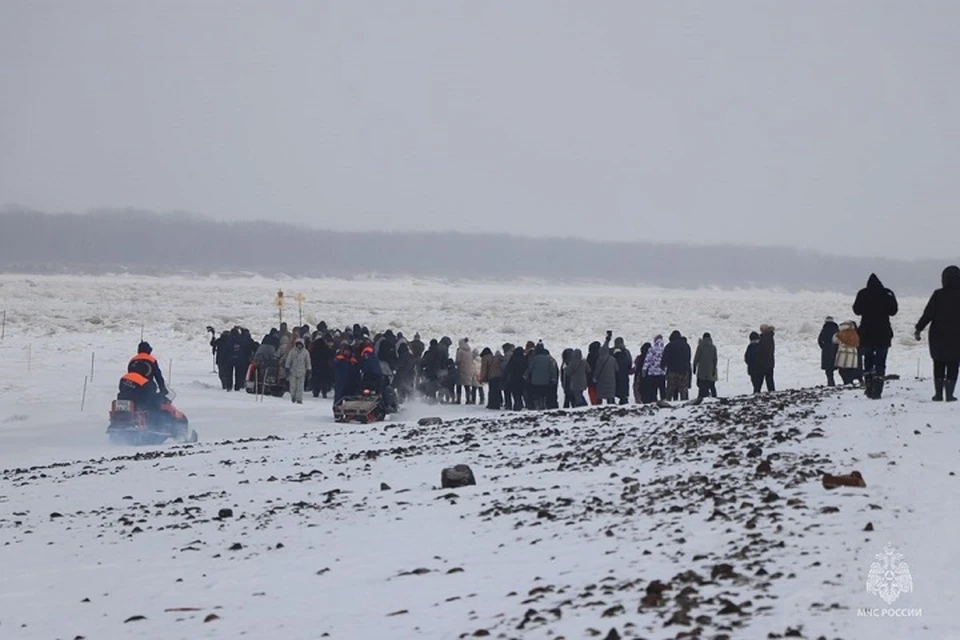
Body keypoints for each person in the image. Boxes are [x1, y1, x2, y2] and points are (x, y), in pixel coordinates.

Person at [915, 265, 960, 402]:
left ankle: (938, 394)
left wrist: (919, 328)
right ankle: (950, 395)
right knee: (953, 364)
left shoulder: (938, 295)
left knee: (938, 363)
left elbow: (928, 314)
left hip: (937, 335)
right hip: (957, 336)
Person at [853, 273, 899, 399]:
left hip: (866, 333)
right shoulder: (887, 293)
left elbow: (856, 310)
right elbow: (893, 311)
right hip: (883, 333)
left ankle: (869, 387)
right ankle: (877, 390)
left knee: (868, 360)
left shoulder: (863, 293)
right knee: (880, 362)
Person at [662, 330, 692, 401]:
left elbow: (665, 358)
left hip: (672, 371)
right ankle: (684, 406)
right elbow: (688, 358)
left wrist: (663, 366)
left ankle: (667, 405)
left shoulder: (669, 345)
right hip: (684, 371)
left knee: (670, 390)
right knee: (683, 390)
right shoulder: (686, 345)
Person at [283, 338, 311, 404]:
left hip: (302, 372)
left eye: (300, 344)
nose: (299, 346)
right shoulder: (292, 351)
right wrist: (287, 367)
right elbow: (288, 360)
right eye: (298, 344)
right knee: (292, 386)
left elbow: (308, 361)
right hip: (293, 371)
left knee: (300, 386)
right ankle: (293, 396)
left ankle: (299, 398)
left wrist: (309, 369)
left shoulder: (305, 352)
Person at [592, 334, 618, 405]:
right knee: (610, 396)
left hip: (601, 381)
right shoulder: (612, 359)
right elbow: (616, 369)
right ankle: (611, 407)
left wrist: (594, 377)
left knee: (600, 396)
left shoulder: (599, 360)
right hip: (611, 381)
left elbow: (597, 370)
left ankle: (599, 407)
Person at [833, 321, 862, 385]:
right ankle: (850, 382)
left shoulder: (841, 334)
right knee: (850, 370)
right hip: (853, 355)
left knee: (842, 370)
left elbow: (834, 340)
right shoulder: (854, 334)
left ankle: (847, 383)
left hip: (844, 354)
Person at [693, 333, 718, 399]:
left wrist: (694, 366)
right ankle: (714, 398)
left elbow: (696, 358)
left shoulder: (700, 347)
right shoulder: (713, 347)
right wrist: (713, 370)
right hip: (711, 371)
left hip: (702, 371)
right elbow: (715, 359)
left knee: (701, 386)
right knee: (712, 386)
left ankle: (701, 398)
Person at [642, 336, 667, 401]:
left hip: (652, 372)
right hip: (662, 372)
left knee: (653, 390)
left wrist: (644, 369)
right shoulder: (664, 349)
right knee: (662, 388)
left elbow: (648, 360)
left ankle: (654, 401)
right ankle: (664, 400)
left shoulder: (652, 349)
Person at [818, 316, 840, 387]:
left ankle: (830, 382)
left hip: (827, 350)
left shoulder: (825, 329)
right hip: (835, 349)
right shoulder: (836, 329)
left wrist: (823, 347)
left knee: (828, 369)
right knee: (834, 366)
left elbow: (820, 340)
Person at [755, 325, 776, 392]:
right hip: (770, 363)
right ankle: (772, 392)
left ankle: (757, 392)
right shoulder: (770, 337)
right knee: (769, 380)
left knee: (760, 381)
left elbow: (762, 350)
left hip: (764, 364)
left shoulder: (765, 338)